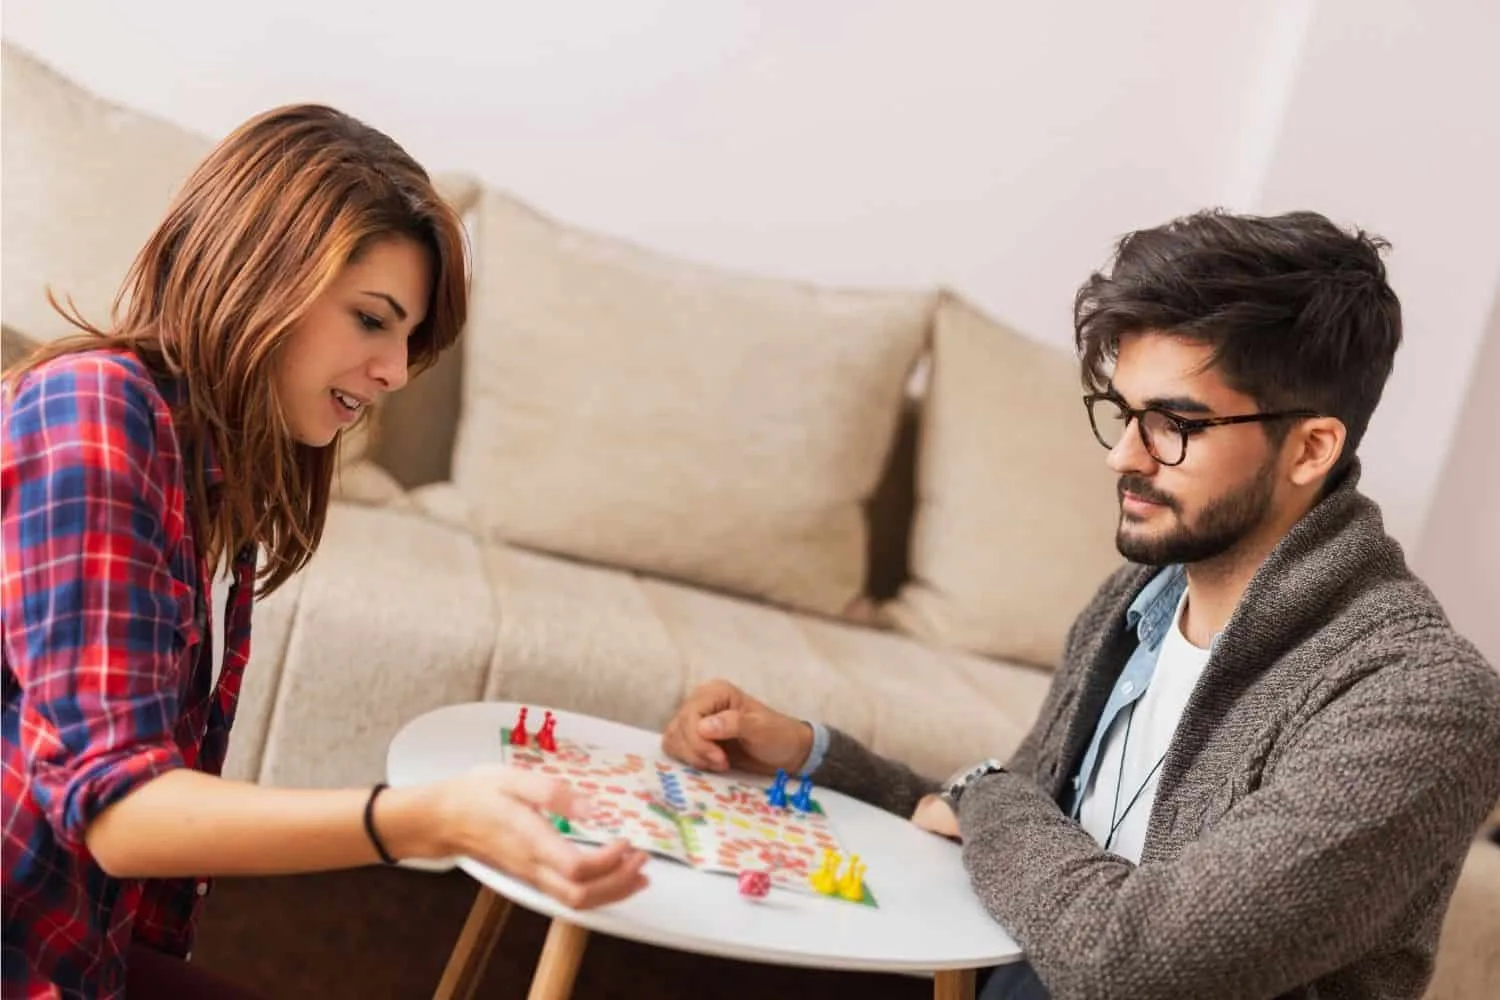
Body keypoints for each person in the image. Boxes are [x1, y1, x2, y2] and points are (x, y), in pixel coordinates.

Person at [662, 209, 1500, 1000]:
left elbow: (1134, 962)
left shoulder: (1420, 702)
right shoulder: (1139, 599)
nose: (1125, 458)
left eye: (1175, 422)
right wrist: (811, 758)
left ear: (1311, 447)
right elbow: (1024, 835)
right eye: (1123, 413)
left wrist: (985, 796)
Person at [2, 105, 648, 1000]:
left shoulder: (207, 463)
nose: (394, 370)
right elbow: (119, 808)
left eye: (409, 340)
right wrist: (418, 824)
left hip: (72, 950)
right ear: (262, 272)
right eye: (373, 320)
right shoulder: (94, 414)